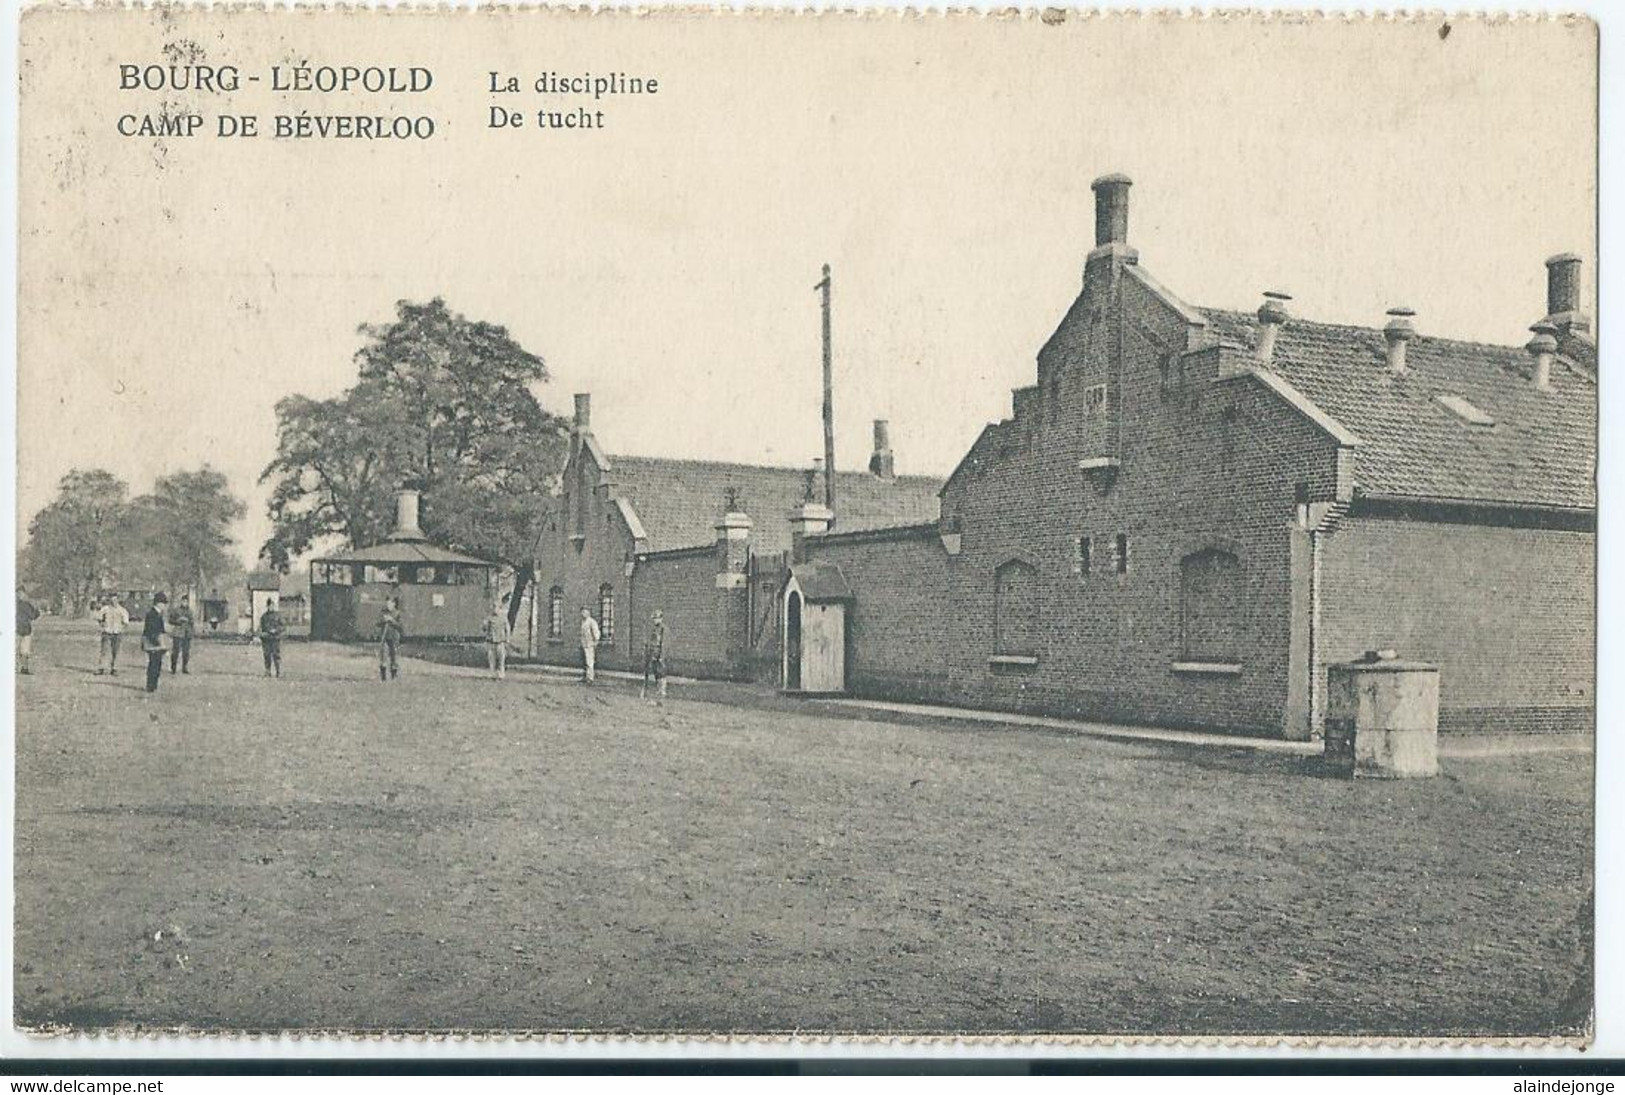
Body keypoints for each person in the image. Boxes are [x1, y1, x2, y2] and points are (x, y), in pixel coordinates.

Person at [95, 593, 130, 676]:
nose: (113, 602)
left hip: (117, 632)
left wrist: (122, 629)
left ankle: (114, 668)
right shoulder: (105, 609)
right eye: (111, 600)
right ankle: (101, 668)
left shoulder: (122, 610)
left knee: (116, 651)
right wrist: (102, 624)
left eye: (115, 600)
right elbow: (99, 617)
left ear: (117, 600)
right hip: (107, 632)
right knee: (104, 650)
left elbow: (126, 622)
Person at [141, 593, 170, 694]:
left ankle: (153, 685)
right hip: (152, 642)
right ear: (158, 603)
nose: (164, 606)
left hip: (156, 642)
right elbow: (152, 630)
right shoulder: (152, 614)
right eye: (163, 603)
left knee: (157, 664)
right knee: (153, 664)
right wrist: (160, 643)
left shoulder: (157, 614)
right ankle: (150, 686)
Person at [641, 609, 668, 702]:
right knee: (656, 672)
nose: (655, 620)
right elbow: (651, 642)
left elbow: (664, 643)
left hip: (659, 654)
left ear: (661, 618)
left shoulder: (663, 629)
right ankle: (658, 689)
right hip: (653, 654)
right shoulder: (654, 629)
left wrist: (661, 656)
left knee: (661, 672)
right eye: (654, 619)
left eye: (656, 618)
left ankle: (663, 690)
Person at [166, 593, 196, 675]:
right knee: (176, 651)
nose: (184, 603)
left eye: (186, 601)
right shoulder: (176, 610)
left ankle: (185, 668)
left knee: (186, 652)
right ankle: (173, 668)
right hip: (178, 633)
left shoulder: (190, 611)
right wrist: (178, 621)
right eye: (183, 601)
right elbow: (170, 620)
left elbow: (192, 622)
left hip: (187, 633)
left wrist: (188, 622)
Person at [484, 597, 512, 680]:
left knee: (501, 659)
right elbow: (484, 629)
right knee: (491, 658)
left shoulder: (503, 618)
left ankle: (501, 674)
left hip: (500, 642)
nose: (494, 609)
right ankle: (492, 673)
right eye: (493, 607)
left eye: (496, 607)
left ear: (500, 608)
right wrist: (485, 625)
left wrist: (507, 639)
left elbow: (507, 628)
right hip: (491, 641)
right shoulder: (489, 618)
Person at [376, 599, 403, 682]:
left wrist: (392, 620)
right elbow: (377, 623)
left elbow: (401, 627)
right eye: (387, 603)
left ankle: (393, 677)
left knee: (393, 657)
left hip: (394, 638)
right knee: (383, 657)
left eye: (390, 603)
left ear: (394, 604)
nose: (388, 605)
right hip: (385, 638)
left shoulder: (397, 613)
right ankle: (383, 678)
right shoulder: (383, 612)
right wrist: (383, 620)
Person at [16, 588, 40, 675]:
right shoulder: (27, 605)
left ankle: (18, 667)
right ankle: (24, 668)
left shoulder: (13, 604)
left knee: (18, 649)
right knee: (24, 650)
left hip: (18, 629)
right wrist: (37, 611)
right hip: (25, 629)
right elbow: (33, 616)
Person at [258, 600, 285, 678]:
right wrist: (260, 633)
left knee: (276, 655)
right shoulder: (264, 616)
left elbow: (283, 627)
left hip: (275, 638)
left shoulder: (278, 616)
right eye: (270, 606)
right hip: (266, 639)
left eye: (272, 606)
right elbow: (261, 627)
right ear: (267, 607)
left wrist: (276, 630)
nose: (271, 607)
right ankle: (268, 671)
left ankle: (278, 671)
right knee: (267, 656)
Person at [578, 607, 601, 684]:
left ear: (588, 613)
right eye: (582, 612)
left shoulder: (592, 622)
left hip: (590, 644)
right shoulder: (583, 622)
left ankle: (590, 678)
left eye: (584, 612)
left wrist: (596, 641)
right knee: (584, 661)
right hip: (584, 644)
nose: (583, 614)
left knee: (590, 662)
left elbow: (596, 632)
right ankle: (585, 676)